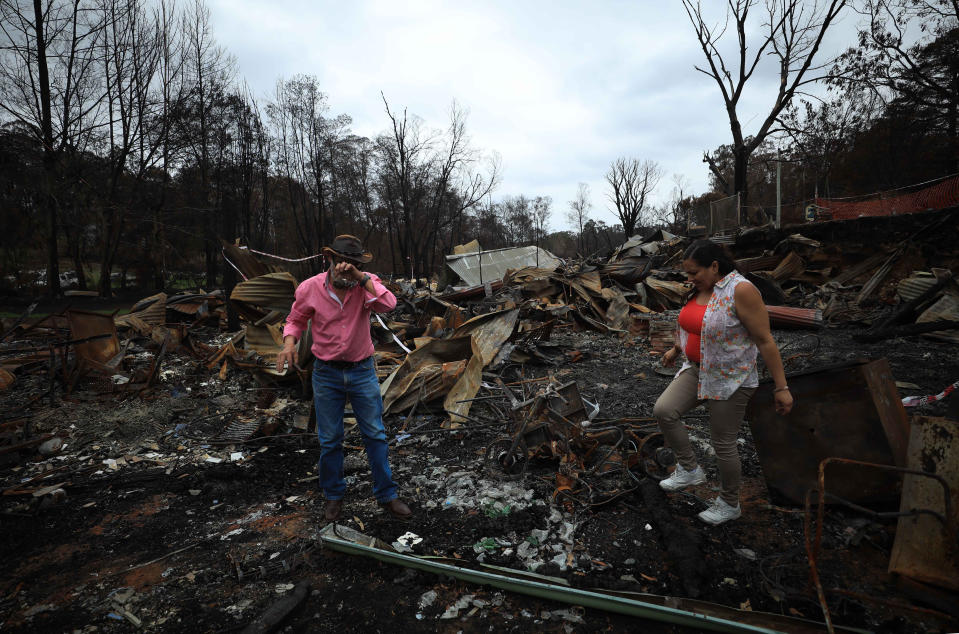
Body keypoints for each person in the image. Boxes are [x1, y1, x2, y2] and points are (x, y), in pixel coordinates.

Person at [654, 239, 793, 525]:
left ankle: (729, 503)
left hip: (731, 378)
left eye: (694, 273)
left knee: (723, 443)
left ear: (714, 266)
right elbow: (695, 324)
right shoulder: (700, 290)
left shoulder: (740, 290)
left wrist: (782, 388)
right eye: (687, 274)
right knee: (664, 410)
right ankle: (690, 470)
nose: (689, 279)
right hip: (696, 369)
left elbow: (765, 340)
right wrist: (676, 349)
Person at [276, 235, 411, 522]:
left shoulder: (364, 284)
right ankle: (334, 496)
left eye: (353, 264)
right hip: (326, 373)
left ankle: (387, 495)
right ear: (331, 260)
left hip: (362, 370)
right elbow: (296, 319)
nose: (345, 269)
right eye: (342, 263)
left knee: (374, 434)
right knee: (330, 439)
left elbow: (389, 304)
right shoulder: (310, 288)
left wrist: (361, 277)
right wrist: (289, 344)